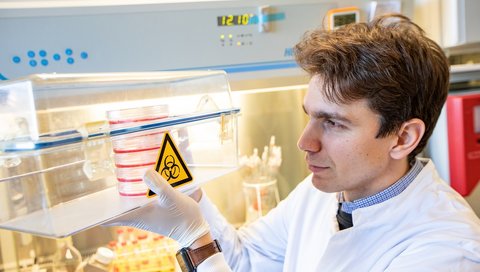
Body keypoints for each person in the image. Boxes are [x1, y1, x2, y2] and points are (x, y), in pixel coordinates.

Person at [107, 14, 480, 271]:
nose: (305, 141)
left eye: (333, 123)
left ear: (403, 137)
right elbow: (248, 261)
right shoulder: (323, 192)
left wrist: (196, 237)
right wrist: (193, 196)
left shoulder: (448, 249)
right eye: (309, 115)